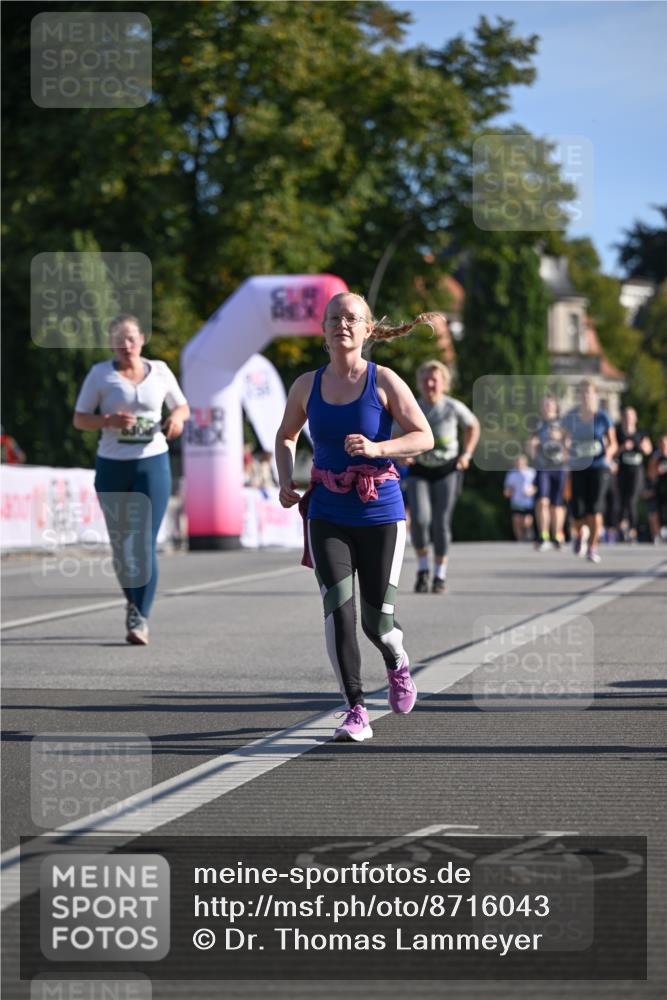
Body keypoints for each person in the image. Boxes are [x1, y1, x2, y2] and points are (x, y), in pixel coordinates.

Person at [276, 292, 434, 743]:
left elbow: (424, 436)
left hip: (381, 511)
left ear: (368, 330)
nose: (342, 324)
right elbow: (286, 436)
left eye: (351, 318)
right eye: (333, 318)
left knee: (376, 622)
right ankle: (355, 708)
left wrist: (379, 448)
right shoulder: (307, 385)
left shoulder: (383, 380)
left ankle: (397, 663)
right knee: (337, 612)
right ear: (323, 330)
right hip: (327, 509)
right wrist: (286, 479)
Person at [73, 314, 189, 644]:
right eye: (119, 339)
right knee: (122, 548)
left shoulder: (161, 371)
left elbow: (182, 407)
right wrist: (107, 420)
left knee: (143, 543)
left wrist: (176, 420)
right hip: (112, 466)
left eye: (131, 338)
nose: (126, 345)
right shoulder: (100, 375)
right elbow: (80, 420)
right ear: (111, 343)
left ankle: (140, 617)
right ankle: (132, 603)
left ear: (142, 340)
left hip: (152, 463)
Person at [399, 359, 479, 594]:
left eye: (435, 379)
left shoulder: (453, 407)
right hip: (420, 470)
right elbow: (394, 431)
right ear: (419, 384)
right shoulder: (412, 407)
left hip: (447, 470)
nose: (430, 384)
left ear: (444, 383)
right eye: (425, 380)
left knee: (441, 522)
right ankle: (423, 569)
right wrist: (402, 454)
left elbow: (473, 426)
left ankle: (440, 575)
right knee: (421, 520)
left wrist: (467, 454)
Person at [562, 379, 617, 564]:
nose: (585, 396)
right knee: (577, 510)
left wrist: (608, 456)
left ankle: (593, 547)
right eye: (582, 393)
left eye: (589, 393)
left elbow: (613, 443)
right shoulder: (571, 417)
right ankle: (580, 534)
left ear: (595, 395)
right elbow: (564, 440)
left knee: (594, 508)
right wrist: (566, 449)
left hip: (599, 467)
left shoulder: (603, 417)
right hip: (578, 467)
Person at [527, 394, 569, 551]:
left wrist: (560, 439)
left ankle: (557, 534)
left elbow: (569, 443)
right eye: (544, 405)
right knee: (542, 501)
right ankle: (543, 535)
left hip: (559, 467)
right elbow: (530, 447)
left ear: (555, 407)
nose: (547, 408)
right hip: (542, 467)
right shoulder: (537, 425)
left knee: (557, 504)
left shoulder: (563, 423)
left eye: (550, 405)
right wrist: (532, 445)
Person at [615, 407, 652, 542]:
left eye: (630, 416)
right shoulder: (618, 433)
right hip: (621, 471)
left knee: (631, 500)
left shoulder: (640, 434)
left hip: (636, 472)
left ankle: (632, 529)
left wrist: (643, 447)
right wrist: (622, 448)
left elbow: (649, 449)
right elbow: (612, 451)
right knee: (622, 500)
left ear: (635, 418)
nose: (628, 418)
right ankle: (622, 527)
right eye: (625, 416)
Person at [503, 454, 537, 541]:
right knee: (516, 520)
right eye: (517, 462)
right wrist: (507, 492)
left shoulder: (531, 472)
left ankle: (528, 534)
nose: (519, 464)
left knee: (526, 521)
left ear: (525, 462)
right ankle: (520, 539)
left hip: (528, 501)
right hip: (516, 500)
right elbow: (508, 487)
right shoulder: (511, 473)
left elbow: (537, 486)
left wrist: (531, 491)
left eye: (521, 462)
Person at [647, 434, 667, 543]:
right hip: (659, 488)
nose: (664, 446)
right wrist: (657, 471)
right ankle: (657, 535)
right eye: (662, 444)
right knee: (656, 511)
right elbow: (650, 474)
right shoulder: (656, 457)